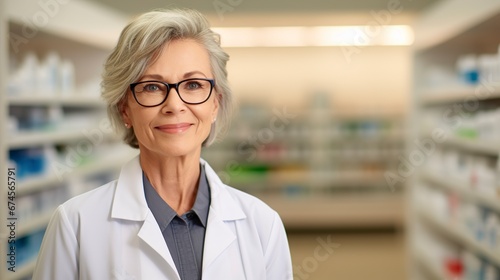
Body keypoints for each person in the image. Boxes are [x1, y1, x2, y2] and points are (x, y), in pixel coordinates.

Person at [32, 8, 293, 280]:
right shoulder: (76, 225)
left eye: (193, 84)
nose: (175, 105)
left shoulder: (263, 225)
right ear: (125, 109)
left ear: (215, 102)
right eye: (152, 87)